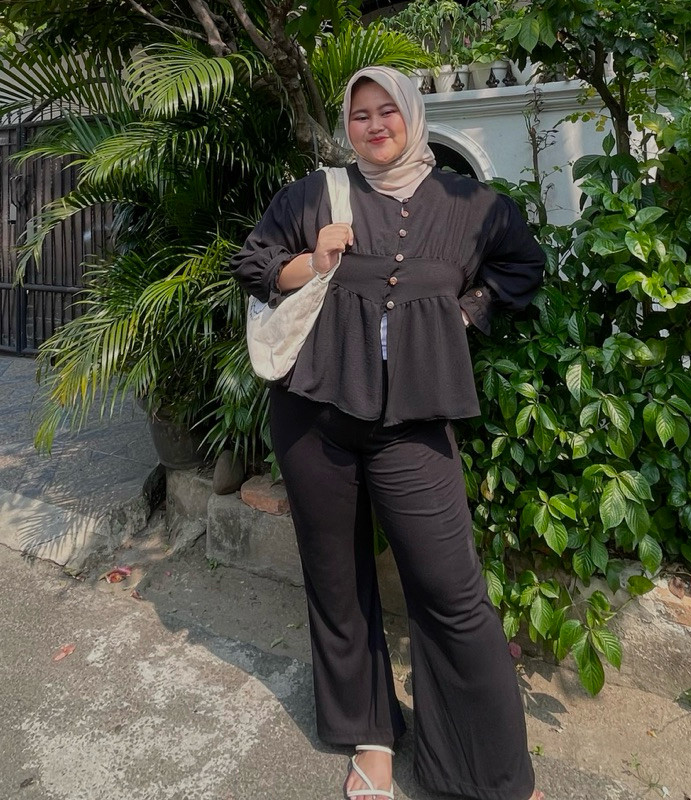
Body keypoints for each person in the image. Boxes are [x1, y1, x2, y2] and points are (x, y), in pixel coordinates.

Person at [230, 66, 545, 800]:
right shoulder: (316, 194)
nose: (374, 126)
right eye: (360, 114)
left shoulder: (472, 204)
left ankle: (492, 774)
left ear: (412, 114)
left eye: (386, 111)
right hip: (313, 414)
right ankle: (369, 735)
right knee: (337, 581)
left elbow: (523, 266)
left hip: (415, 420)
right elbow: (252, 263)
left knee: (452, 592)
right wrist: (314, 261)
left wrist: (465, 313)